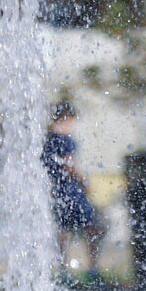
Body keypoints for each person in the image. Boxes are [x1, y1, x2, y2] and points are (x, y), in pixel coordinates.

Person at [45, 102, 105, 281]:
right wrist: (83, 181)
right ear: (66, 118)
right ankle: (92, 270)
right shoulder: (66, 140)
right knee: (93, 228)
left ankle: (63, 270)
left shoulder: (47, 140)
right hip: (72, 191)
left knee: (63, 231)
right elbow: (69, 164)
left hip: (56, 191)